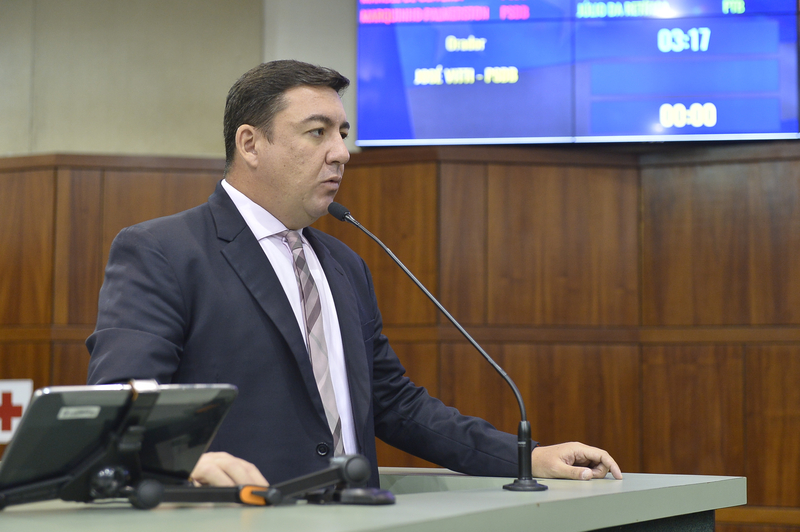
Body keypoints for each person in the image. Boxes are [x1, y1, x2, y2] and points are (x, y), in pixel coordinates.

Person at [86, 60, 622, 488]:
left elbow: (395, 405)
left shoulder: (343, 264)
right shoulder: (164, 250)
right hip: (240, 516)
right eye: (317, 132)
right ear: (250, 144)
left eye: (342, 133)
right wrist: (183, 461)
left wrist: (527, 457)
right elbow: (123, 397)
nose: (342, 153)